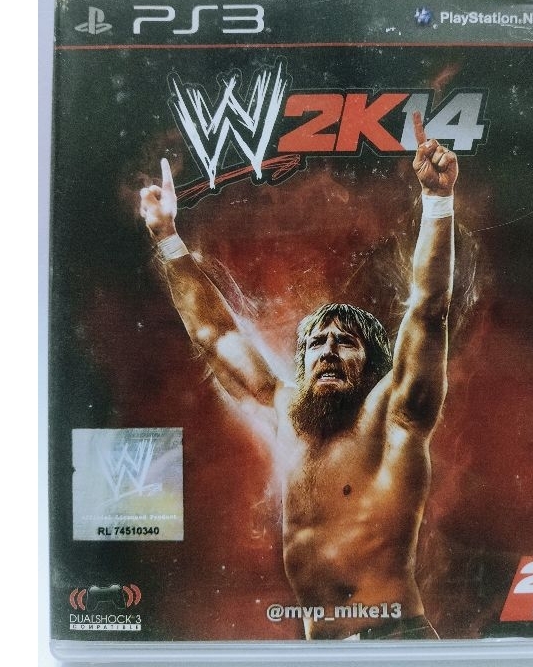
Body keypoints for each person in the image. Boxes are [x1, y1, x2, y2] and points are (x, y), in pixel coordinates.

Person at [139, 112, 457, 640]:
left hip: (392, 640)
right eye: (314, 343)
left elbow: (428, 309)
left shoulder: (395, 415)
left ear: (374, 365)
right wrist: (167, 237)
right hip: (317, 648)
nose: (326, 350)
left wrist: (438, 200)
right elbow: (215, 336)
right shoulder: (287, 412)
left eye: (345, 342)